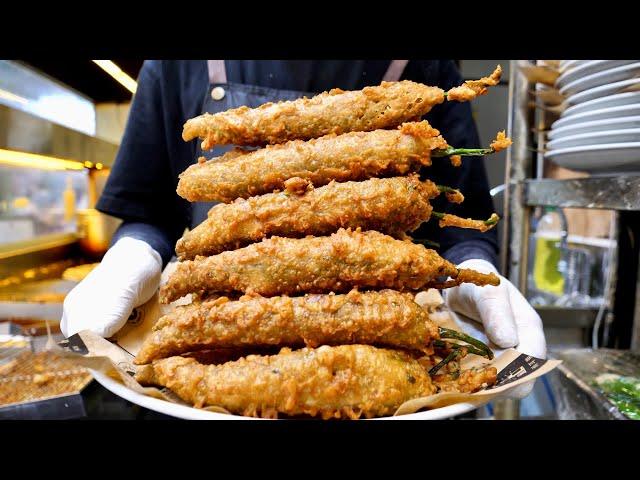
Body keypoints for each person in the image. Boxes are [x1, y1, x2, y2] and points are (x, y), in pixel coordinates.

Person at [61, 60, 545, 397]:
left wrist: (469, 267)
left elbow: (465, 222)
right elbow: (147, 208)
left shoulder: (426, 66)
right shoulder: (174, 64)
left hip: (398, 338)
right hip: (204, 340)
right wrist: (135, 253)